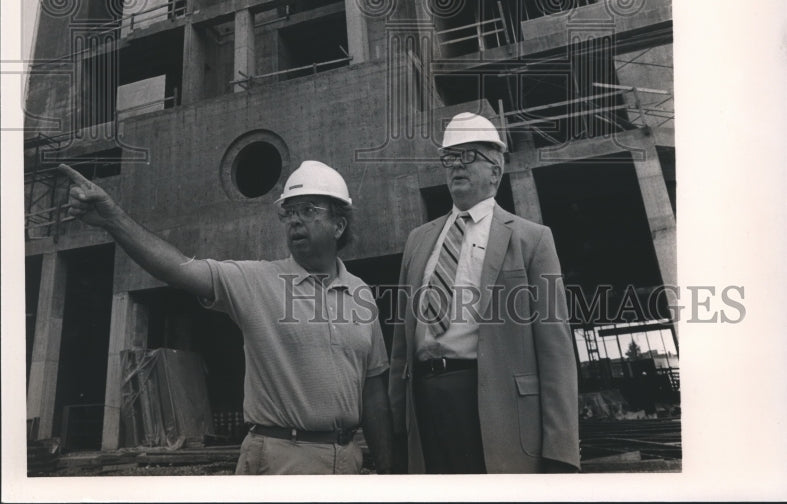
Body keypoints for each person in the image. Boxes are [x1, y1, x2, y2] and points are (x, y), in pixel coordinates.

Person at [61, 158, 394, 476]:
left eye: (307, 210)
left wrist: (390, 472)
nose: (294, 221)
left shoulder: (360, 294)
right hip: (279, 460)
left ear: (338, 225)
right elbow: (179, 270)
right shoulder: (257, 281)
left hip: (348, 461)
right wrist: (112, 219)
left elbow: (373, 390)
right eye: (289, 212)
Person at [388, 112, 580, 474]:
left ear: (496, 169)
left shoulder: (531, 239)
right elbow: (401, 345)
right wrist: (398, 430)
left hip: (495, 406)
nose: (456, 166)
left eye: (469, 155)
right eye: (450, 158)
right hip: (426, 403)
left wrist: (560, 449)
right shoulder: (419, 241)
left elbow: (555, 350)